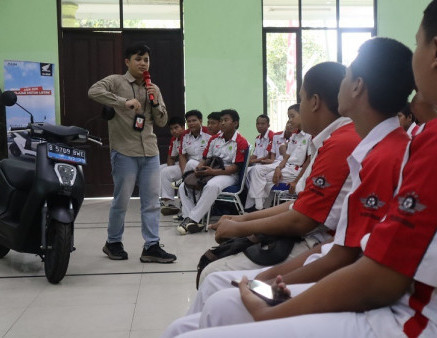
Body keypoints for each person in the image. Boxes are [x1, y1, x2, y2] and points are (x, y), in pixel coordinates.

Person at [169, 0, 437, 336]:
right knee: (219, 305)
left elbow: (376, 275)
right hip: (411, 301)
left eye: (419, 43)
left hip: (420, 319)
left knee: (212, 310)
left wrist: (272, 301)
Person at [164, 36, 415, 336]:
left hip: (351, 281)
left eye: (347, 77)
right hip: (329, 257)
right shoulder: (367, 147)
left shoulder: (372, 151)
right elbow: (339, 244)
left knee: (215, 294)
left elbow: (342, 252)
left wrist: (267, 286)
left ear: (356, 87)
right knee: (195, 316)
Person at [201, 62, 361, 284]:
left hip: (320, 241)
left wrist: (240, 227)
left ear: (314, 102)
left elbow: (302, 220)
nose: (298, 111)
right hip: (311, 229)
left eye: (301, 99)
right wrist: (242, 219)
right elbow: (301, 205)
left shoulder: (341, 142)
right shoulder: (331, 139)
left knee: (213, 276)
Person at [88, 43, 177, 263]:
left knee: (151, 202)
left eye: (146, 59)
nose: (143, 63)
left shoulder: (152, 87)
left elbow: (162, 121)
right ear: (127, 62)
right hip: (124, 151)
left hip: (149, 150)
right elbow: (93, 91)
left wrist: (155, 102)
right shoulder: (116, 81)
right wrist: (123, 102)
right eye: (138, 59)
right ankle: (113, 242)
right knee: (122, 201)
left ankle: (152, 246)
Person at [176, 109, 249, 235]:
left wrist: (212, 172)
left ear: (235, 123)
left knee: (212, 185)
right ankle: (192, 220)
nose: (223, 123)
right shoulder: (214, 139)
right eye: (221, 121)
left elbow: (235, 168)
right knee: (184, 185)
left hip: (229, 174)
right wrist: (199, 169)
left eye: (226, 120)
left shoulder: (241, 142)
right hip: (211, 170)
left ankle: (193, 218)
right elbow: (204, 159)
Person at [247, 105, 310, 210]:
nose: (290, 120)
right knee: (261, 174)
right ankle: (262, 209)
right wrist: (278, 168)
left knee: (266, 178)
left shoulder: (309, 135)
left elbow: (309, 161)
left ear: (302, 115)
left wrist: (296, 181)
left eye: (292, 116)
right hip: (287, 167)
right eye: (288, 117)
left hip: (298, 171)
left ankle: (260, 208)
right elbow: (286, 157)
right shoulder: (294, 135)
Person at [161, 111, 212, 216]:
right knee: (165, 171)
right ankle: (169, 203)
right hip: (187, 167)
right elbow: (181, 155)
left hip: (205, 166)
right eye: (189, 121)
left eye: (194, 120)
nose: (191, 123)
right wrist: (185, 173)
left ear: (201, 121)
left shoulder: (209, 133)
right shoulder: (184, 135)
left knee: (192, 164)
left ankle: (183, 184)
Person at [159, 116, 185, 215]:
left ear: (183, 127)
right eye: (171, 129)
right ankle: (166, 200)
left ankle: (168, 201)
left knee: (165, 172)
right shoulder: (174, 139)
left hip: (190, 165)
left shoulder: (187, 136)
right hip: (181, 164)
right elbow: (171, 158)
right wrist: (171, 172)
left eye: (176, 128)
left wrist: (170, 173)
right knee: (160, 169)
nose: (173, 131)